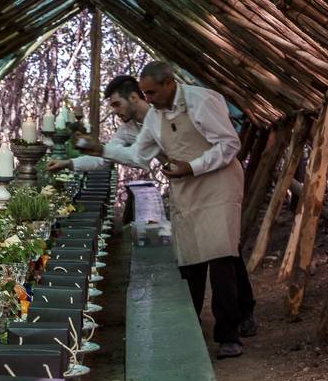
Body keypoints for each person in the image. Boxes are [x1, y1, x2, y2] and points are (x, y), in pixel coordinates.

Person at [82, 61, 256, 358]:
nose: (148, 99)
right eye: (145, 94)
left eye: (151, 92)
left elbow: (229, 144)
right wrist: (102, 150)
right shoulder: (154, 118)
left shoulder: (202, 101)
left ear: (168, 83)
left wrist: (194, 166)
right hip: (186, 186)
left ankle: (229, 334)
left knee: (221, 254)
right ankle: (189, 327)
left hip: (219, 182)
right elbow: (139, 156)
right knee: (190, 258)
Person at [45, 75, 151, 173]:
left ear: (133, 98)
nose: (114, 111)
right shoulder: (126, 129)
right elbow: (104, 159)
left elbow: (138, 157)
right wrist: (67, 163)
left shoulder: (160, 115)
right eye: (113, 106)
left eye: (117, 104)